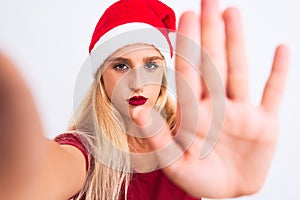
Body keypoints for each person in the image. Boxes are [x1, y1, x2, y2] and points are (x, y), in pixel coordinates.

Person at [0, 0, 289, 200]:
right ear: (101, 77)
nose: (137, 83)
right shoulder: (83, 152)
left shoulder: (192, 141)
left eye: (150, 65)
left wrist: (239, 185)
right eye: (120, 66)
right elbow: (37, 178)